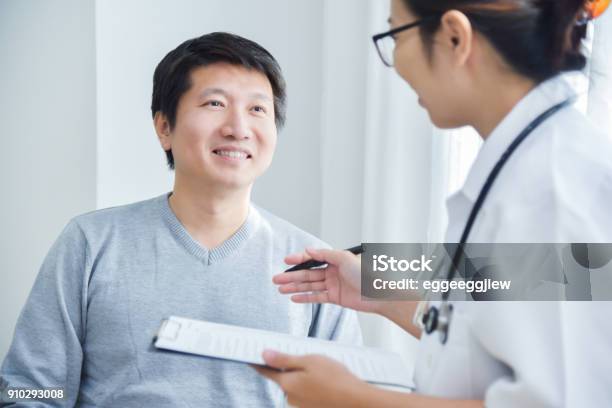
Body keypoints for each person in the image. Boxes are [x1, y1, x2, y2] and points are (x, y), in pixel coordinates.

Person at [255, 0, 612, 407]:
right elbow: (490, 341)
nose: (397, 65)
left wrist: (353, 399)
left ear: (454, 37)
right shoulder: (522, 168)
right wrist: (384, 295)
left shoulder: (557, 189)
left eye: (395, 36)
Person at [0, 32, 361, 407]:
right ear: (164, 128)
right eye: (215, 103)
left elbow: (352, 398)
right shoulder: (90, 242)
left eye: (258, 109)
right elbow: (28, 390)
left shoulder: (316, 264)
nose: (238, 128)